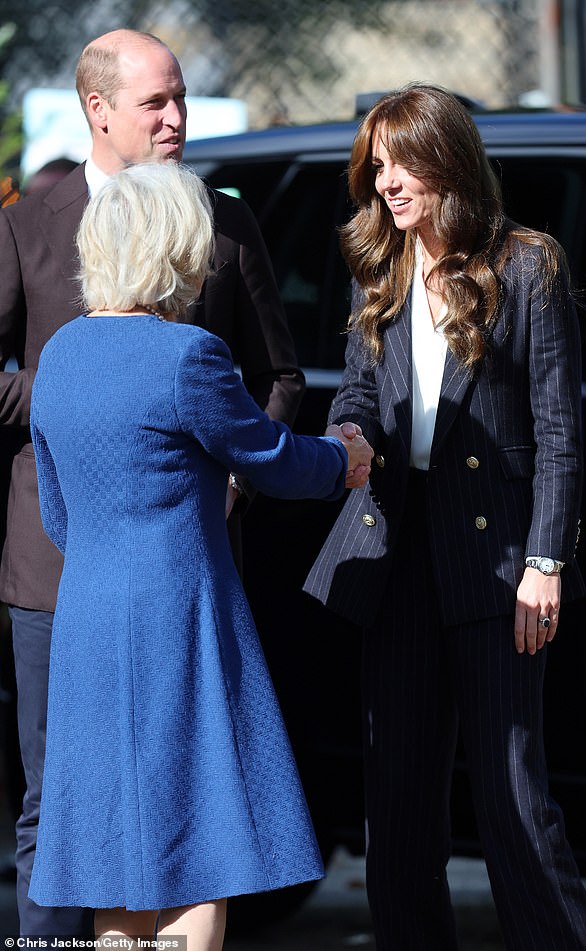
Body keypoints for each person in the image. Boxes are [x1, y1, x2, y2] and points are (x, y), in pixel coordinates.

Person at [0, 28, 305, 937]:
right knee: (60, 808)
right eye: (155, 103)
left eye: (182, 99)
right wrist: (62, 402)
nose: (178, 119)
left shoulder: (225, 217)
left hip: (185, 562)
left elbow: (277, 377)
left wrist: (237, 481)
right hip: (54, 573)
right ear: (98, 112)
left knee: (190, 798)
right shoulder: (25, 224)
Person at [27, 160, 372, 950]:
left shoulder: (60, 359)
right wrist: (343, 459)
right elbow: (273, 458)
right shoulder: (188, 356)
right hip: (180, 621)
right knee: (196, 851)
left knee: (115, 860)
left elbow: (57, 512)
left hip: (86, 623)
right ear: (174, 250)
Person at [304, 83, 586, 950]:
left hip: (497, 559)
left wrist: (545, 560)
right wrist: (349, 435)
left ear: (448, 160)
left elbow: (558, 430)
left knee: (514, 795)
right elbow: (355, 397)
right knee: (397, 804)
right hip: (394, 556)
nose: (387, 183)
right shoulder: (382, 267)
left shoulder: (527, 264)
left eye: (403, 163)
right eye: (377, 167)